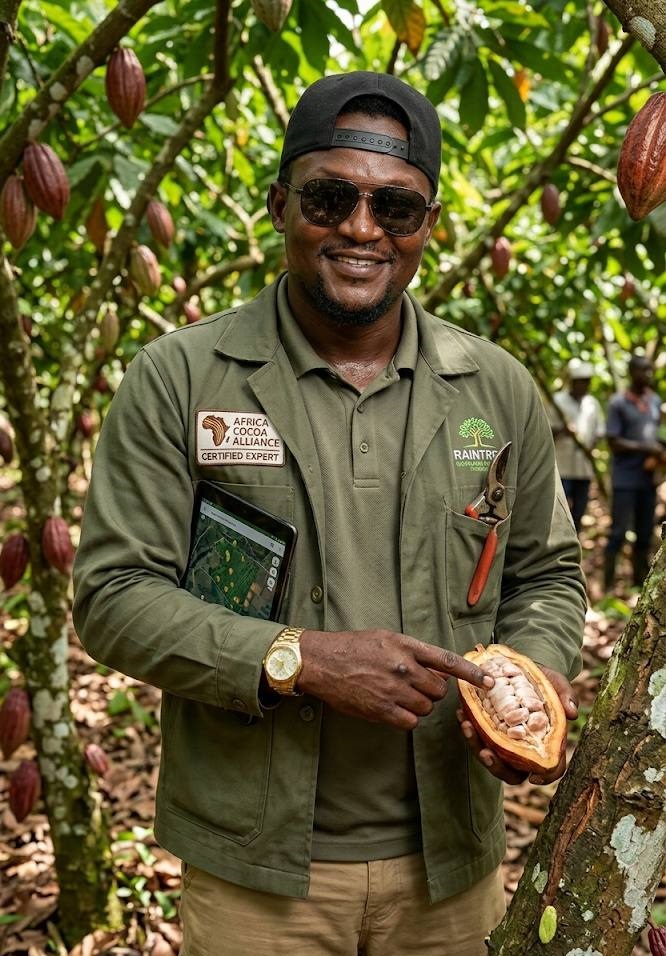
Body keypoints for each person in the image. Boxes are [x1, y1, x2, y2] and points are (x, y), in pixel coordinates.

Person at [73, 72, 586, 956]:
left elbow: (545, 573)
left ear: (429, 225)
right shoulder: (181, 378)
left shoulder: (493, 386)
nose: (361, 228)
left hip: (448, 866)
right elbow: (114, 596)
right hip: (257, 875)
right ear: (280, 205)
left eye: (396, 207)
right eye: (330, 196)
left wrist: (526, 683)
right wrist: (295, 660)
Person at [604, 353, 666, 591]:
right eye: (643, 370)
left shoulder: (653, 401)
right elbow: (613, 441)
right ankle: (608, 587)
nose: (648, 375)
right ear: (631, 372)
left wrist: (658, 451)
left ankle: (639, 586)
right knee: (618, 533)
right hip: (625, 478)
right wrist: (645, 448)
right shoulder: (618, 402)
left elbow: (655, 435)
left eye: (650, 370)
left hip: (647, 479)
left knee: (644, 534)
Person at [548, 358, 604, 533]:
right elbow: (545, 431)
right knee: (558, 512)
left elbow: (600, 430)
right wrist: (563, 430)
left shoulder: (592, 403)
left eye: (587, 382)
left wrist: (592, 444)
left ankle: (575, 544)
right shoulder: (557, 401)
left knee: (578, 512)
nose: (584, 385)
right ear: (572, 382)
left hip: (583, 469)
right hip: (561, 468)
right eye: (581, 381)